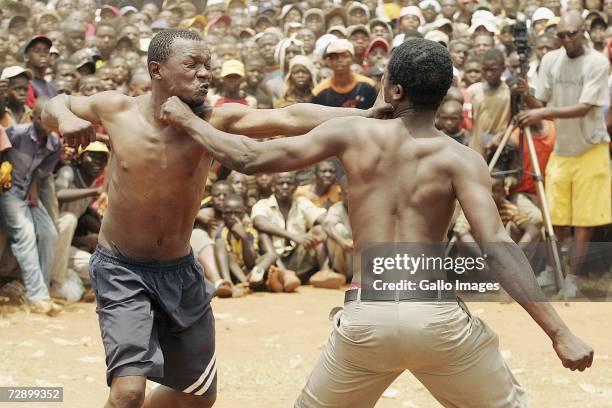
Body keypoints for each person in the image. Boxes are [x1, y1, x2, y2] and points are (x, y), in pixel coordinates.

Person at [160, 38, 594, 408]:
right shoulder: (462, 159)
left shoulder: (352, 133)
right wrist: (560, 334)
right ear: (442, 96)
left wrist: (185, 118)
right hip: (436, 318)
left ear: (395, 89)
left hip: (367, 316)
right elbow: (498, 246)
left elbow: (249, 158)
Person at [43, 28, 389, 408]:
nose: (205, 73)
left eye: (207, 65)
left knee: (197, 397)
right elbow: (54, 102)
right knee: (127, 393)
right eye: (191, 65)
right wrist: (64, 118)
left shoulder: (214, 120)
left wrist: (363, 113)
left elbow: (289, 116)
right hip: (122, 269)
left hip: (180, 271)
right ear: (157, 70)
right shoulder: (116, 108)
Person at [517, 11, 611, 298]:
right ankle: (551, 271)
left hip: (590, 148)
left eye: (572, 33)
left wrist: (542, 110)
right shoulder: (550, 60)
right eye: (562, 35)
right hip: (562, 150)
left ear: (583, 31)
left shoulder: (597, 62)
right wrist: (526, 94)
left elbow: (585, 106)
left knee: (583, 220)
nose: (567, 39)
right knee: (553, 215)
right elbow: (541, 101)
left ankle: (571, 277)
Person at [0, 98, 62, 316]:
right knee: (25, 234)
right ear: (33, 117)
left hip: (28, 190)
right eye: (42, 118)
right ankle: (38, 297)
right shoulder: (16, 133)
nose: (47, 123)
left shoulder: (55, 144)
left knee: (49, 233)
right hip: (8, 191)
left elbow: (41, 170)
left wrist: (34, 188)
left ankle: (41, 289)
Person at [250, 172, 345, 289]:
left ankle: (324, 272)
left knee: (319, 230)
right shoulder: (263, 204)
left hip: (297, 257)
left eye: (289, 183)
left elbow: (322, 219)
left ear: (296, 186)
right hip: (273, 259)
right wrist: (293, 236)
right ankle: (284, 275)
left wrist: (337, 227)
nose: (285, 186)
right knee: (263, 234)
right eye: (281, 183)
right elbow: (259, 222)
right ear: (273, 186)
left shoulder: (302, 203)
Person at [214, 193, 277, 291]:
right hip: (234, 273)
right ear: (223, 213)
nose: (233, 217)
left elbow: (251, 262)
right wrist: (245, 281)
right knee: (220, 245)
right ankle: (235, 284)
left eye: (237, 213)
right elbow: (232, 263)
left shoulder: (250, 232)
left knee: (271, 255)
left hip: (249, 270)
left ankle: (257, 274)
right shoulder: (223, 232)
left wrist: (244, 238)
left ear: (243, 213)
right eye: (229, 213)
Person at [467, 48, 512, 157]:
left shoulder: (509, 92)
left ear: (503, 69)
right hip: (476, 143)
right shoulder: (474, 90)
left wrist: (500, 137)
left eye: (493, 69)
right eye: (485, 69)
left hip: (500, 143)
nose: (489, 74)